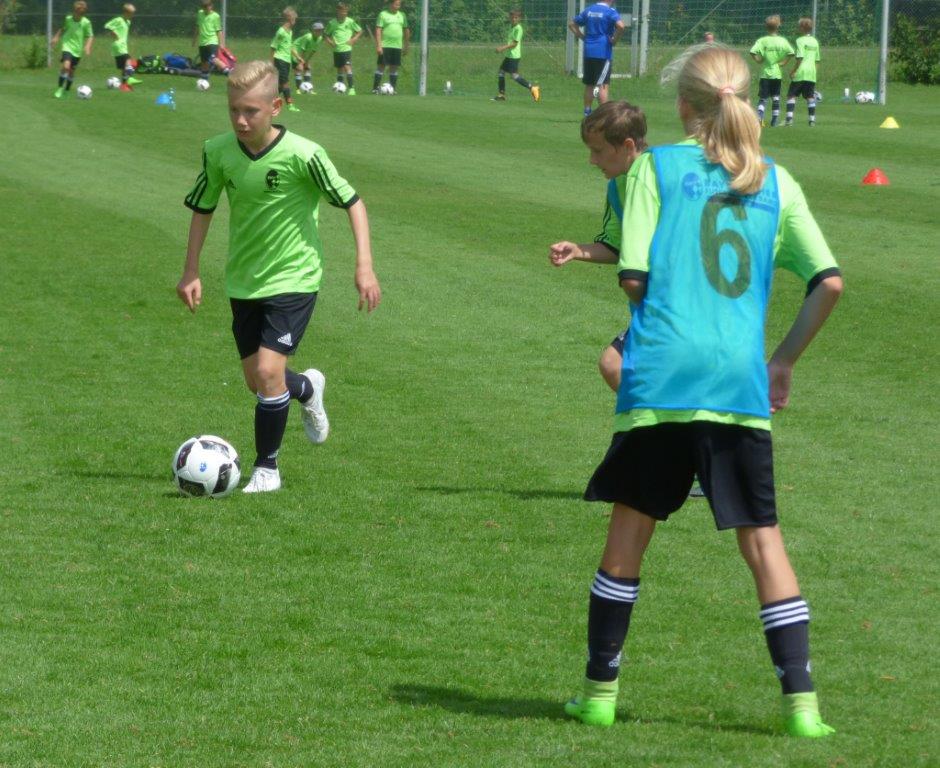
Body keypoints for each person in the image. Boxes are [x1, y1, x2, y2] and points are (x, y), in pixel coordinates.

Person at [563, 44, 842, 739]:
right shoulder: (776, 180)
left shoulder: (651, 168)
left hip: (662, 375)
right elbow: (829, 283)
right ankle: (802, 708)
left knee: (629, 534)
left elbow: (634, 276)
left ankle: (598, 695)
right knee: (764, 544)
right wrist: (782, 361)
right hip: (737, 382)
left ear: (684, 104)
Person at [178, 60, 382, 493]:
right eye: (234, 110)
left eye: (251, 111)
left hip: (295, 277)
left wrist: (363, 265)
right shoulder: (218, 152)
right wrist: (191, 269)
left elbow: (353, 202)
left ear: (275, 107)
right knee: (258, 380)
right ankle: (306, 387)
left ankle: (266, 469)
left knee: (269, 372)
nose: (240, 120)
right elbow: (203, 208)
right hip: (243, 280)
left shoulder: (304, 154)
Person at [549, 101, 647, 392]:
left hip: (673, 304)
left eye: (598, 151)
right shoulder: (617, 186)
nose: (592, 161)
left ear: (627, 146)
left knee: (615, 365)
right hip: (649, 305)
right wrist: (578, 251)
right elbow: (616, 246)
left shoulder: (661, 177)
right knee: (614, 366)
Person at [568, 0, 625, 116]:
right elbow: (621, 26)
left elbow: (571, 24)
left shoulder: (589, 10)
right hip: (603, 52)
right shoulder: (610, 11)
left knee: (590, 84)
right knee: (602, 85)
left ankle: (587, 112)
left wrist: (582, 37)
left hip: (589, 52)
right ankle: (604, 115)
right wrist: (614, 40)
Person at [749, 15, 794, 126]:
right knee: (776, 97)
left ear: (766, 26)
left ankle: (760, 117)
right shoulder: (782, 41)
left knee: (763, 98)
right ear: (778, 26)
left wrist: (758, 60)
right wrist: (784, 62)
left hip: (765, 74)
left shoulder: (762, 41)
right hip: (776, 74)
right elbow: (791, 53)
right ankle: (774, 120)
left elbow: (752, 52)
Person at [493, 10, 540, 102]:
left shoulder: (519, 28)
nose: (514, 19)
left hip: (514, 56)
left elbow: (514, 44)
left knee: (514, 76)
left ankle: (532, 88)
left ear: (519, 19)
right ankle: (501, 95)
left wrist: (502, 48)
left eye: (516, 18)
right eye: (512, 17)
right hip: (509, 55)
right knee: (501, 72)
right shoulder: (511, 27)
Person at [52, 1, 93, 99]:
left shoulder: (86, 22)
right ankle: (60, 88)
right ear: (74, 11)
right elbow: (62, 28)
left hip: (77, 50)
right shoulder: (68, 19)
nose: (79, 15)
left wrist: (87, 46)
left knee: (71, 72)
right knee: (66, 67)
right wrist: (56, 37)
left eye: (82, 13)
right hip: (67, 46)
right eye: (78, 12)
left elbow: (90, 36)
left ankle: (66, 91)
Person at [786, 18, 821, 126]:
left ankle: (789, 119)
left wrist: (793, 71)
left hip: (801, 72)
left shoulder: (800, 40)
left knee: (791, 95)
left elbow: (800, 58)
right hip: (811, 73)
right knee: (810, 97)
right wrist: (814, 72)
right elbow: (817, 60)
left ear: (802, 28)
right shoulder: (815, 41)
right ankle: (812, 120)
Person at [324, 3, 363, 95]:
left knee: (347, 67)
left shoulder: (350, 21)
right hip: (337, 49)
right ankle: (340, 88)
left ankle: (352, 89)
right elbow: (325, 34)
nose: (344, 13)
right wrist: (330, 42)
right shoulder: (332, 23)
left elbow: (360, 31)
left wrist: (354, 39)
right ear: (338, 11)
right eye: (342, 11)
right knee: (339, 69)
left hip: (346, 48)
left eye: (346, 11)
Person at [372, 0, 410, 93]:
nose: (398, 5)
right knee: (381, 66)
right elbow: (378, 30)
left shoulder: (402, 15)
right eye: (396, 3)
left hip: (397, 46)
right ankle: (375, 89)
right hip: (385, 45)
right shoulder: (383, 14)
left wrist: (406, 45)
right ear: (391, 4)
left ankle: (392, 89)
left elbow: (406, 30)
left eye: (399, 4)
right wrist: (379, 45)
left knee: (394, 67)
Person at [104, 3, 139, 92]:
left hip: (123, 47)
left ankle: (124, 86)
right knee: (129, 62)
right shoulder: (119, 20)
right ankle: (128, 82)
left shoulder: (128, 22)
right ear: (126, 13)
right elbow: (107, 26)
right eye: (131, 13)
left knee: (124, 67)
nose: (132, 15)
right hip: (118, 45)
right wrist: (114, 34)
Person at [271, 7, 300, 112]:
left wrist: (298, 57)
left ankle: (267, 100)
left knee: (280, 84)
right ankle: (290, 104)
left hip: (287, 61)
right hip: (280, 59)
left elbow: (290, 46)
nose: (295, 21)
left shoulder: (290, 32)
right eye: (294, 18)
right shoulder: (281, 32)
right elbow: (273, 47)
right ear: (289, 18)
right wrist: (271, 63)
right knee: (285, 83)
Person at [194, 0, 224, 78]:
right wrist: (194, 40)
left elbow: (219, 31)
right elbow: (197, 27)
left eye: (208, 6)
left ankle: (228, 70)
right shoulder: (200, 13)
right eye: (204, 7)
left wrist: (221, 44)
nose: (207, 8)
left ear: (211, 6)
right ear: (202, 8)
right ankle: (205, 80)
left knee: (213, 59)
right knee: (204, 63)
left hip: (212, 41)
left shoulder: (216, 16)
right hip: (202, 42)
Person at [293, 21, 324, 94]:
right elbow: (302, 50)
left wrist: (307, 61)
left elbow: (313, 51)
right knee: (299, 69)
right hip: (296, 51)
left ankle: (309, 89)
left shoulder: (320, 38)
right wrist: (300, 62)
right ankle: (298, 90)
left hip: (304, 53)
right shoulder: (308, 37)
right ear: (313, 30)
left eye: (321, 30)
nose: (319, 32)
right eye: (318, 30)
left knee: (307, 68)